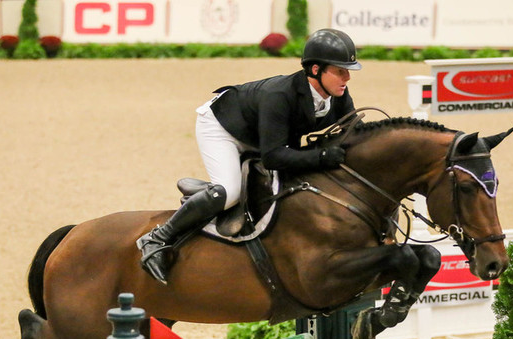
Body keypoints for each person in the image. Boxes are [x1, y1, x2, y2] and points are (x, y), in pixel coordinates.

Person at [137, 28, 363, 285]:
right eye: (340, 70)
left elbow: (352, 136)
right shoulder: (279, 96)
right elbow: (274, 157)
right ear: (315, 70)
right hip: (223, 128)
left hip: (263, 135)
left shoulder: (339, 96)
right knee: (229, 192)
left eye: (348, 70)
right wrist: (321, 156)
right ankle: (157, 238)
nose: (347, 77)